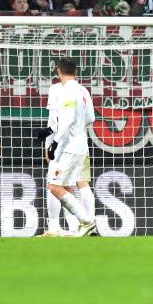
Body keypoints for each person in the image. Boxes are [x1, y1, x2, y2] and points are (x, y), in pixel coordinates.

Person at [34, 57, 97, 237]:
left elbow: (64, 119)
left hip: (66, 147)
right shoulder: (83, 90)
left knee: (53, 186)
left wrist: (53, 143)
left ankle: (86, 222)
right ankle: (73, 228)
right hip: (79, 145)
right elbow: (91, 118)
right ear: (75, 72)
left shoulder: (64, 90)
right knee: (68, 186)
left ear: (58, 71)